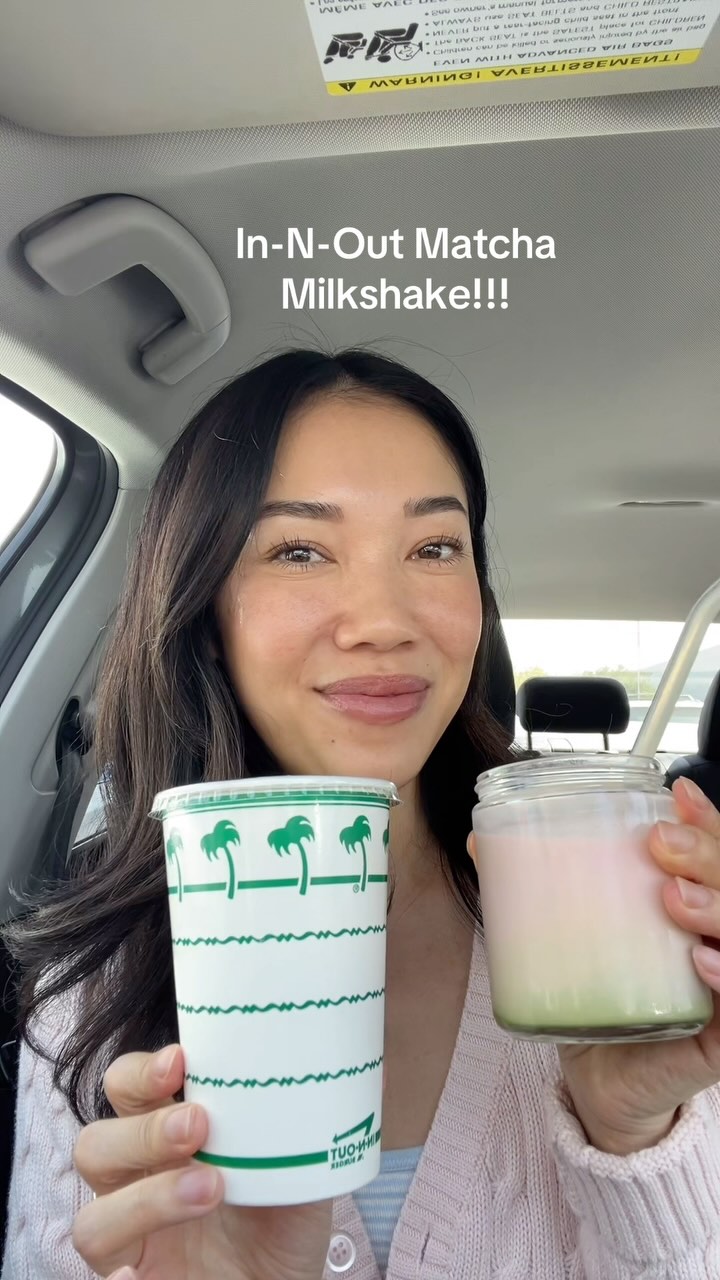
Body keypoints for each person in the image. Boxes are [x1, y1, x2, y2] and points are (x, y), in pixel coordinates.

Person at [3, 346, 720, 1280]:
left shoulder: (629, 937)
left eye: (434, 547)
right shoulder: (91, 995)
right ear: (205, 611)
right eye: (299, 550)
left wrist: (636, 1133)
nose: (383, 620)